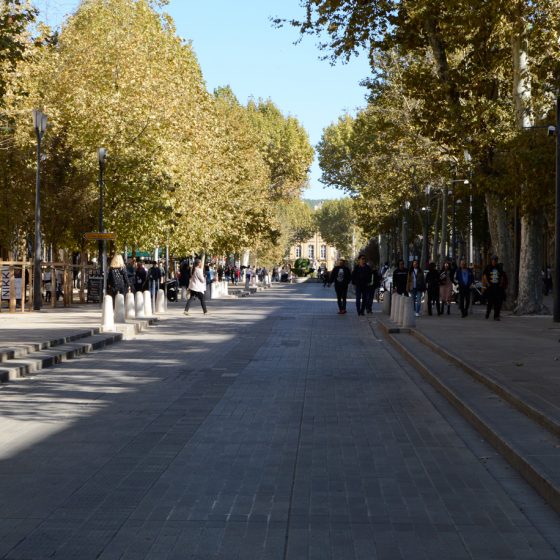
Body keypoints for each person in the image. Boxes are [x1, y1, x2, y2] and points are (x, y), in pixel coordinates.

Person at [482, 255, 507, 320]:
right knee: (490, 302)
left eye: (496, 260)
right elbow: (484, 275)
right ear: (491, 260)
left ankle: (496, 316)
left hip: (497, 288)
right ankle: (488, 313)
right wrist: (487, 283)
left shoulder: (499, 267)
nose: (494, 261)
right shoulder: (488, 267)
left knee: (497, 302)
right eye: (493, 260)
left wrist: (501, 283)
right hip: (490, 287)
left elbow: (502, 276)